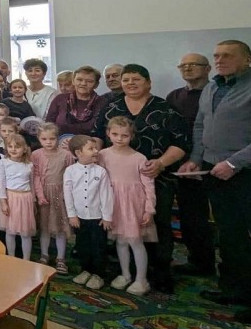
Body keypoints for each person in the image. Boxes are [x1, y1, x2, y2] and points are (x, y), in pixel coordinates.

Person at [180, 40, 251, 324]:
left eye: (228, 55)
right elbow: (201, 125)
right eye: (216, 56)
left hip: (249, 174)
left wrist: (235, 163)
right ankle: (237, 290)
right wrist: (196, 158)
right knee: (229, 234)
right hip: (215, 171)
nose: (220, 60)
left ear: (247, 59)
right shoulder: (212, 87)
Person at [93, 64, 188, 294]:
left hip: (156, 176)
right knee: (122, 226)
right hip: (117, 182)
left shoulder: (164, 108)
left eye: (136, 79)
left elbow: (181, 142)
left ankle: (159, 272)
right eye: (126, 79)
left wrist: (160, 163)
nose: (130, 83)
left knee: (156, 223)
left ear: (148, 82)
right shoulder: (111, 107)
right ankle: (127, 271)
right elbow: (96, 136)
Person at [165, 53, 214, 277]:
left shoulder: (214, 93)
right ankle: (197, 261)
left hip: (207, 162)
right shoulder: (174, 96)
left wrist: (197, 158)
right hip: (178, 164)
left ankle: (208, 263)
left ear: (207, 68)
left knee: (204, 216)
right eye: (183, 65)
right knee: (189, 215)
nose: (187, 68)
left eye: (193, 64)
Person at [100, 116, 157, 296]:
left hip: (133, 205)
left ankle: (141, 279)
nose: (119, 138)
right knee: (121, 240)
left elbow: (149, 185)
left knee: (135, 240)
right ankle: (125, 274)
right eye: (115, 134)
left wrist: (149, 209)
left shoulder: (139, 158)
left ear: (131, 136)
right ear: (108, 133)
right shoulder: (103, 155)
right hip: (113, 203)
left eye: (124, 135)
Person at [65, 135, 114, 291]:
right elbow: (68, 194)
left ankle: (98, 274)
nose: (96, 151)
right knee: (83, 245)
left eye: (95, 148)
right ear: (78, 153)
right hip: (79, 217)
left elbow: (106, 195)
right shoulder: (70, 171)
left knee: (99, 245)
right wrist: (72, 215)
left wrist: (107, 217)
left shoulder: (101, 171)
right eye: (91, 149)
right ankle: (86, 269)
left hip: (98, 217)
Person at [32, 123, 75, 274]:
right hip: (43, 195)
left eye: (52, 138)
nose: (48, 142)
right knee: (44, 226)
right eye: (44, 139)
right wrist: (40, 195)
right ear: (39, 139)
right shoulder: (36, 155)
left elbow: (71, 176)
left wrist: (67, 195)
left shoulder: (66, 155)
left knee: (60, 227)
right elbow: (36, 176)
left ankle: (61, 258)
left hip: (60, 195)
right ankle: (44, 255)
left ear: (58, 138)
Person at [45, 66, 107, 136]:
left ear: (96, 85)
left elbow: (103, 131)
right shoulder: (60, 99)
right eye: (79, 80)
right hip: (60, 141)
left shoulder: (102, 102)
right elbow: (48, 126)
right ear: (73, 81)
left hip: (90, 142)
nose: (83, 83)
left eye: (89, 81)